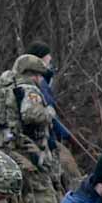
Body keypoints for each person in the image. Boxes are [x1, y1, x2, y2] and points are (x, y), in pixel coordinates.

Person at [0, 53, 62, 203]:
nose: (40, 80)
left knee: (6, 200)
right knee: (45, 200)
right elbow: (30, 114)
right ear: (33, 74)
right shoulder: (28, 89)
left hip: (2, 151)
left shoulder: (3, 89)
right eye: (39, 75)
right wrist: (49, 112)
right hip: (25, 152)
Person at [25, 42, 81, 182]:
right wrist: (67, 136)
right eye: (47, 57)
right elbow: (49, 114)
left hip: (39, 136)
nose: (50, 59)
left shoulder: (34, 80)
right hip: (42, 138)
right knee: (69, 171)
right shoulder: (38, 82)